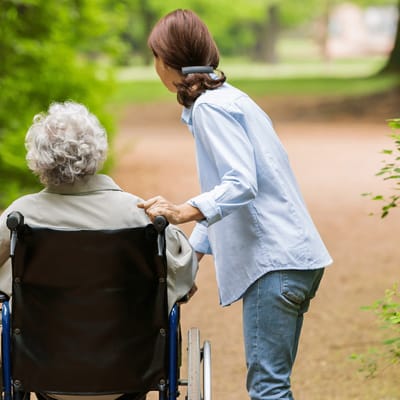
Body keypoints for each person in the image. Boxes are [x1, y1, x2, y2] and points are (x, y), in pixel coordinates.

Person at [138, 9, 333, 400]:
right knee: (274, 385)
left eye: (155, 57)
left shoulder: (210, 109)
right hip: (295, 260)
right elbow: (226, 197)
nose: (155, 66)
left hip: (275, 265)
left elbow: (240, 184)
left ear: (168, 59)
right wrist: (189, 264)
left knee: (268, 389)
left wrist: (180, 210)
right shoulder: (230, 99)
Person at [0, 101, 198, 400]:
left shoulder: (20, 217)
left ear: (37, 157)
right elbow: (184, 275)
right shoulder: (140, 214)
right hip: (130, 372)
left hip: (43, 373)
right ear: (97, 152)